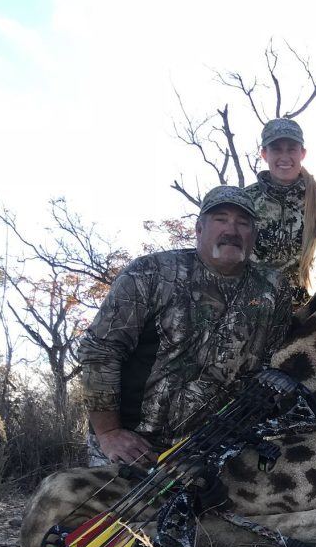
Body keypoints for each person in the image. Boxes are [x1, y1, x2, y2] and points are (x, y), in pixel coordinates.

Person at [79, 185, 292, 467]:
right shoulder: (149, 273)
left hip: (219, 448)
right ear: (199, 229)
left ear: (253, 235)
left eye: (243, 223)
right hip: (138, 448)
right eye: (221, 219)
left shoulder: (274, 289)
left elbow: (271, 367)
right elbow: (100, 351)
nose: (232, 230)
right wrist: (109, 433)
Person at [244, 117, 316, 302]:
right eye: (276, 149)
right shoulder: (244, 200)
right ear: (264, 154)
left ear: (302, 153)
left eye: (291, 149)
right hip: (253, 307)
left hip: (309, 308)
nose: (284, 157)